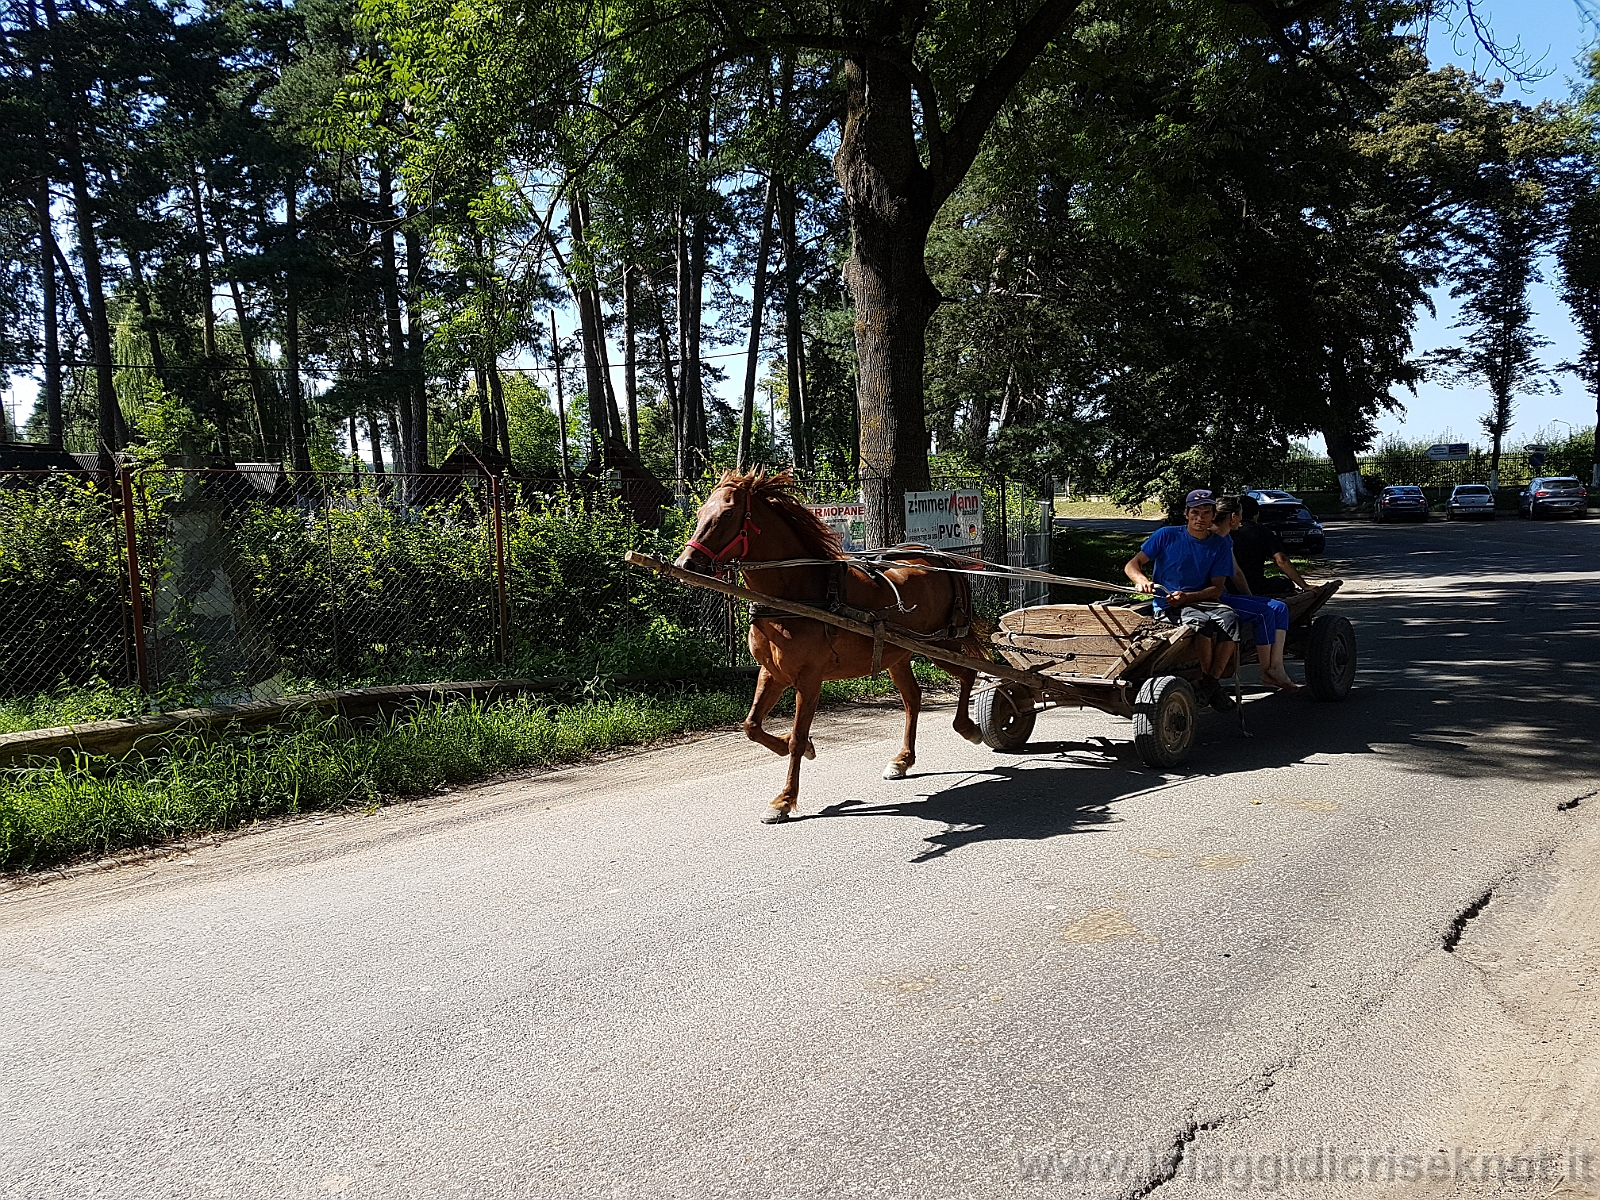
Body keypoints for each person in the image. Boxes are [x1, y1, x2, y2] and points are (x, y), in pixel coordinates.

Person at [1123, 489, 1240, 711]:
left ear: (1213, 515)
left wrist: (1188, 596)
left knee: (1231, 618)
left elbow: (1217, 589)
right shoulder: (1167, 535)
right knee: (1201, 624)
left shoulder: (1220, 544)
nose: (1200, 518)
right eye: (1195, 512)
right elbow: (1132, 564)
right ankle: (1212, 687)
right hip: (1168, 603)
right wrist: (1141, 580)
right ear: (1186, 514)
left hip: (1201, 600)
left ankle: (1209, 683)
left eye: (1206, 512)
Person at [1212, 496, 1298, 691]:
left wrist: (1250, 597)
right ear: (1233, 516)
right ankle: (1267, 671)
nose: (1242, 521)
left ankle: (1276, 667)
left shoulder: (1226, 538)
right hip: (1216, 597)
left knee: (1279, 608)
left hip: (1227, 593)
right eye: (1240, 516)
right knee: (1264, 613)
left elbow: (1235, 571)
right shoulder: (1210, 539)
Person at [1228, 495, 1312, 596]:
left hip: (1228, 585)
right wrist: (1304, 586)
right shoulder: (1263, 532)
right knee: (1286, 583)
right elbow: (1281, 560)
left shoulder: (1225, 532)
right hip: (1255, 585)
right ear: (1256, 514)